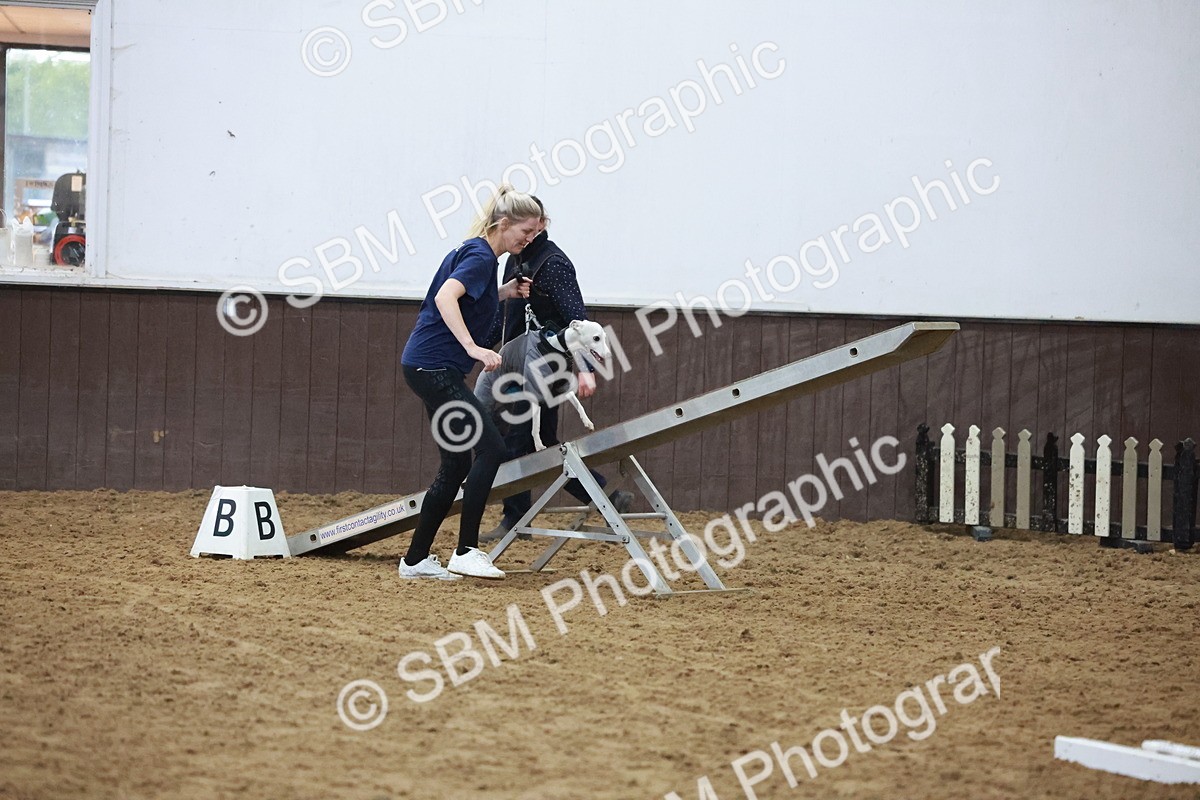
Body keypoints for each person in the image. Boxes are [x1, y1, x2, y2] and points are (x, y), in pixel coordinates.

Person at [398, 185, 539, 580]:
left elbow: (467, 297)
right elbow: (446, 298)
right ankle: (466, 550)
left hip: (425, 366)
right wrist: (474, 348)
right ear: (504, 223)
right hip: (436, 368)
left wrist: (504, 292)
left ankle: (415, 560)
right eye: (524, 232)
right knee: (491, 448)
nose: (527, 240)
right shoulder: (480, 257)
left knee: (457, 461)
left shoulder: (475, 252)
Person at [480, 198, 633, 542]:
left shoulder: (554, 265)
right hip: (519, 361)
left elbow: (576, 320)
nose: (524, 236)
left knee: (517, 437)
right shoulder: (516, 259)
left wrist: (584, 368)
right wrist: (483, 347)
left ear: (541, 225)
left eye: (530, 229)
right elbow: (506, 315)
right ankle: (606, 496)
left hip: (546, 365)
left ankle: (515, 520)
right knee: (544, 442)